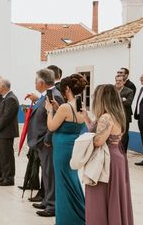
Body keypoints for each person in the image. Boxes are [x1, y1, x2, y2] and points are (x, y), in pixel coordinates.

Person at [84, 84, 134, 224]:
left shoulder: (106, 117)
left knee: (99, 196)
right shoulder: (118, 114)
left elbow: (99, 140)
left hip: (106, 160)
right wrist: (88, 120)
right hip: (116, 155)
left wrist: (83, 141)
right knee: (115, 196)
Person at [46, 73, 87, 225]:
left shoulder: (65, 107)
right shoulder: (79, 106)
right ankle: (79, 213)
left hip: (62, 148)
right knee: (71, 180)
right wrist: (58, 109)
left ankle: (67, 220)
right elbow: (75, 122)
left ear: (68, 88)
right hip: (73, 147)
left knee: (63, 183)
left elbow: (51, 126)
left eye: (63, 89)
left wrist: (50, 110)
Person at [26, 69, 64, 218]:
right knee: (46, 174)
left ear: (42, 82)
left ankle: (52, 205)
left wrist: (47, 139)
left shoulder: (54, 96)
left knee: (50, 174)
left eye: (36, 80)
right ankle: (46, 200)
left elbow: (56, 120)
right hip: (41, 142)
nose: (35, 83)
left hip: (46, 142)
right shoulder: (45, 96)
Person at [0, 78, 19, 186]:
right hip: (2, 132)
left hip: (6, 132)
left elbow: (6, 117)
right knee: (3, 155)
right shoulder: (5, 97)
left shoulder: (11, 99)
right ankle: (4, 176)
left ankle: (9, 178)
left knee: (7, 156)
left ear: (4, 87)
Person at [114, 74, 134, 151]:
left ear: (124, 81)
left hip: (125, 116)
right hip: (114, 116)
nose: (118, 82)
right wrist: (122, 100)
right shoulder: (112, 89)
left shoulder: (129, 91)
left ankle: (123, 152)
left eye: (120, 81)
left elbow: (128, 103)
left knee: (124, 135)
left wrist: (116, 101)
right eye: (116, 80)